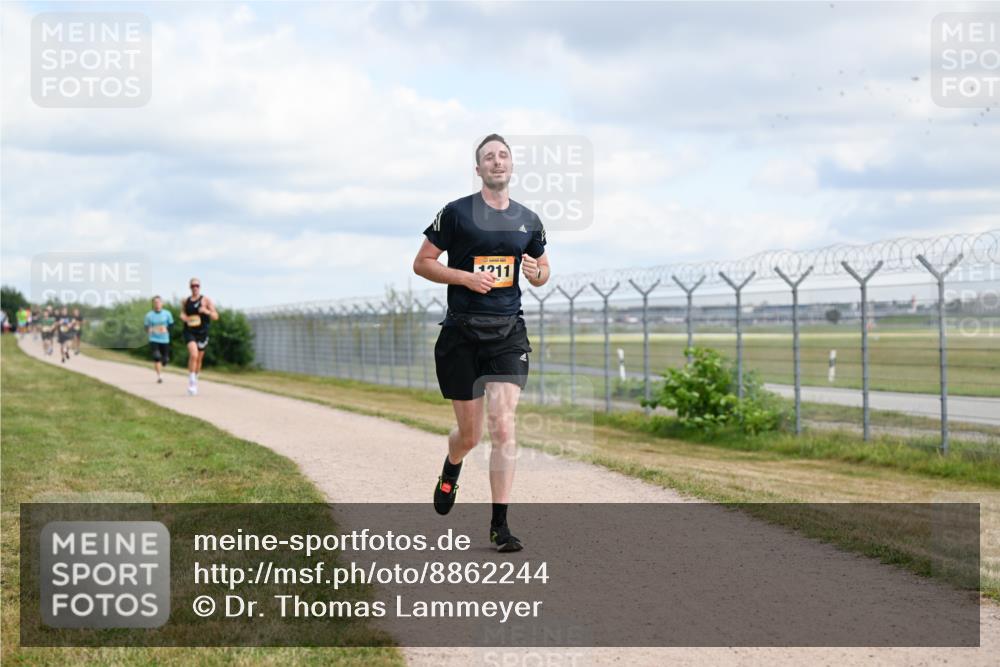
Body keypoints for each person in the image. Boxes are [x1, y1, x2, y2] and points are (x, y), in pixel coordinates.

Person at [412, 133, 551, 553]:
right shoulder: (456, 214)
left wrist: (536, 274)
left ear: (511, 166)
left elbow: (543, 268)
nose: (497, 161)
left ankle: (499, 525)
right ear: (478, 169)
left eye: (503, 155)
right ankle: (452, 466)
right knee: (470, 436)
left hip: (508, 333)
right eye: (488, 157)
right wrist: (466, 277)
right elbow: (422, 263)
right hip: (462, 334)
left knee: (504, 425)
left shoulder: (529, 220)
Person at [180, 278, 218, 395]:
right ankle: (191, 382)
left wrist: (206, 311)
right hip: (189, 331)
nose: (195, 287)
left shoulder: (206, 300)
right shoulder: (185, 301)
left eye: (197, 285)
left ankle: (195, 378)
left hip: (202, 333)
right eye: (193, 286)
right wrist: (183, 317)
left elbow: (216, 316)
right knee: (193, 354)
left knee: (199, 359)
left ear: (200, 287)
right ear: (190, 287)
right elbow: (182, 313)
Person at [144, 296, 174, 383]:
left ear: (162, 303)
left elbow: (172, 326)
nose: (157, 304)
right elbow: (146, 327)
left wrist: (167, 329)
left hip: (165, 339)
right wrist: (148, 330)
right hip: (154, 339)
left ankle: (164, 361)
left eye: (159, 302)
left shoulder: (167, 314)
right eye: (155, 302)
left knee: (165, 360)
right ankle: (159, 376)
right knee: (156, 357)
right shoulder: (149, 315)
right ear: (153, 304)